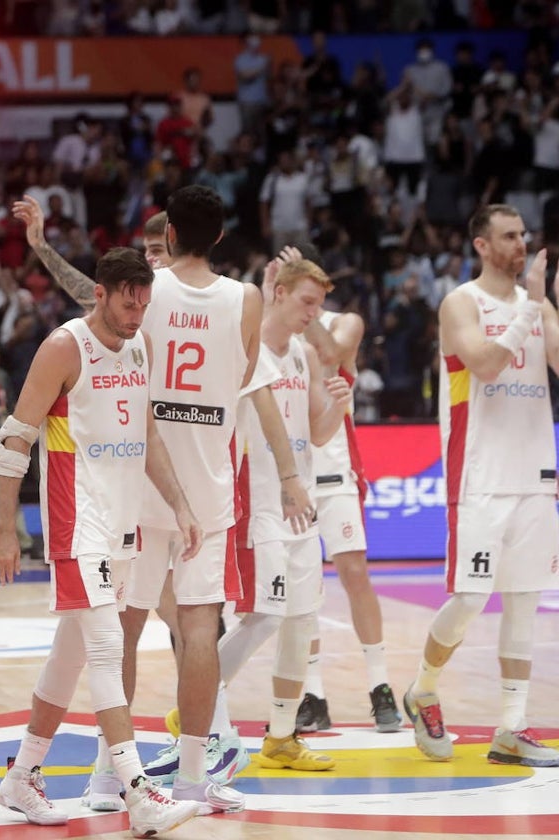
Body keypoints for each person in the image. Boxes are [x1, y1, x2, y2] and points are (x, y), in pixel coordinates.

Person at [12, 189, 314, 809]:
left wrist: (41, 246)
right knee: (199, 628)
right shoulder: (246, 298)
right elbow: (242, 375)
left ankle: (105, 778)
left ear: (169, 233)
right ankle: (192, 778)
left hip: (139, 480)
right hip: (206, 485)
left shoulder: (144, 291)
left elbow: (93, 314)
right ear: (223, 236)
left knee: (119, 631)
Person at [0, 246, 202, 836]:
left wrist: (180, 503)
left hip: (122, 525)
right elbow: (13, 440)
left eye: (144, 304)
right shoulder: (64, 347)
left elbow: (148, 432)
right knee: (108, 648)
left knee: (71, 655)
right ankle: (139, 793)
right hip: (75, 525)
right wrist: (6, 529)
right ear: (100, 294)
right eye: (127, 302)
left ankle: (22, 774)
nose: (136, 314)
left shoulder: (141, 346)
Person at [403, 205, 559, 767]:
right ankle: (422, 688)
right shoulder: (461, 303)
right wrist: (532, 312)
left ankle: (512, 728)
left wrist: (549, 307)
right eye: (509, 237)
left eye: (524, 236)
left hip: (535, 472)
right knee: (470, 598)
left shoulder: (539, 304)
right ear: (481, 245)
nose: (521, 244)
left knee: (523, 602)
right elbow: (487, 364)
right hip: (480, 474)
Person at [214, 255, 350, 773]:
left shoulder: (304, 355)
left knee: (300, 622)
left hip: (302, 506)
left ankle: (281, 736)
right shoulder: (246, 350)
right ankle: (198, 703)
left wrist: (337, 405)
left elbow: (316, 432)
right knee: (266, 615)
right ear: (278, 291)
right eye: (306, 302)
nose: (313, 314)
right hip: (260, 502)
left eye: (319, 305)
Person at [298, 278, 402, 734]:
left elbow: (332, 356)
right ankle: (313, 693)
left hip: (337, 468)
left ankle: (380, 686)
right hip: (289, 476)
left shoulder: (344, 322)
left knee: (355, 573)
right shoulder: (270, 333)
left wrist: (304, 316)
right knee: (302, 592)